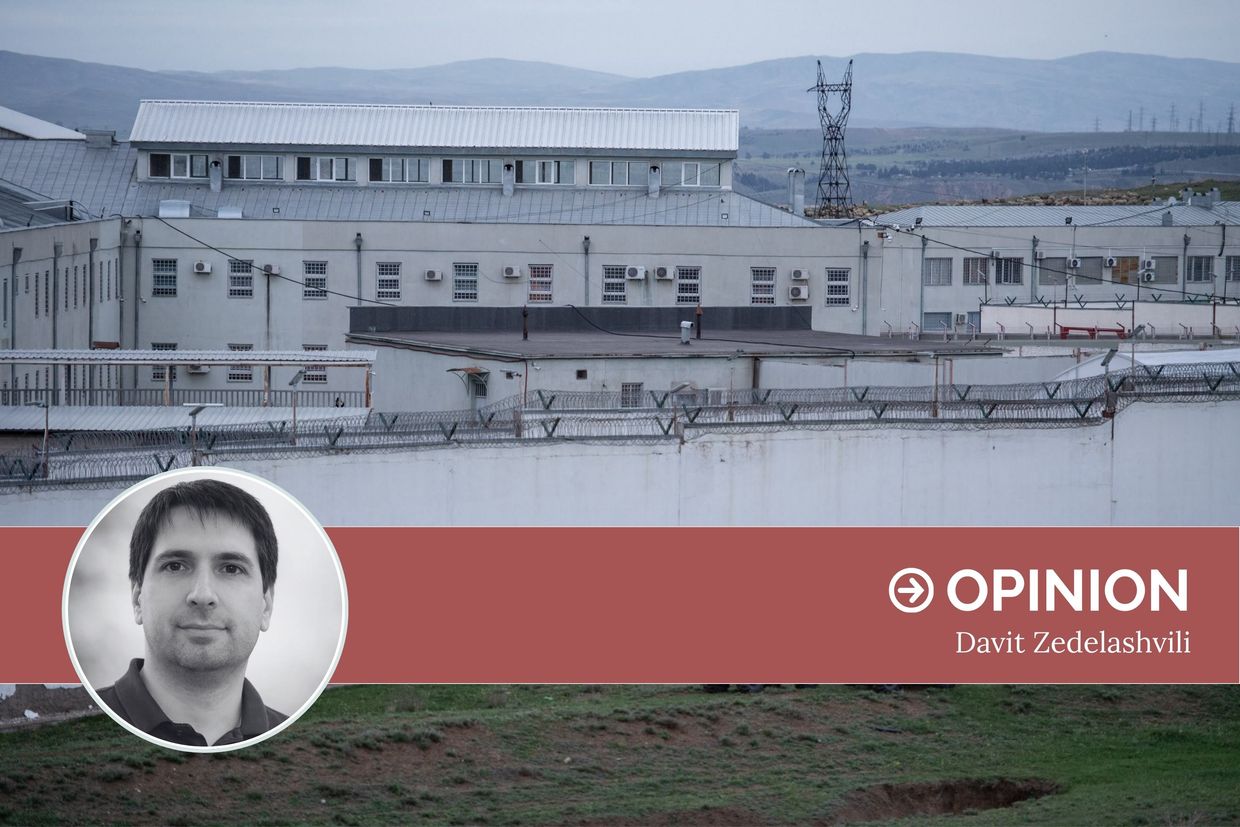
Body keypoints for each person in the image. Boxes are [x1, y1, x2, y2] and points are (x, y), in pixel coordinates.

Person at [96, 478, 287, 747]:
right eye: (175, 566)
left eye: (231, 568)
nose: (203, 595)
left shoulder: (297, 739)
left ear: (266, 604)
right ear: (137, 598)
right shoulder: (81, 725)